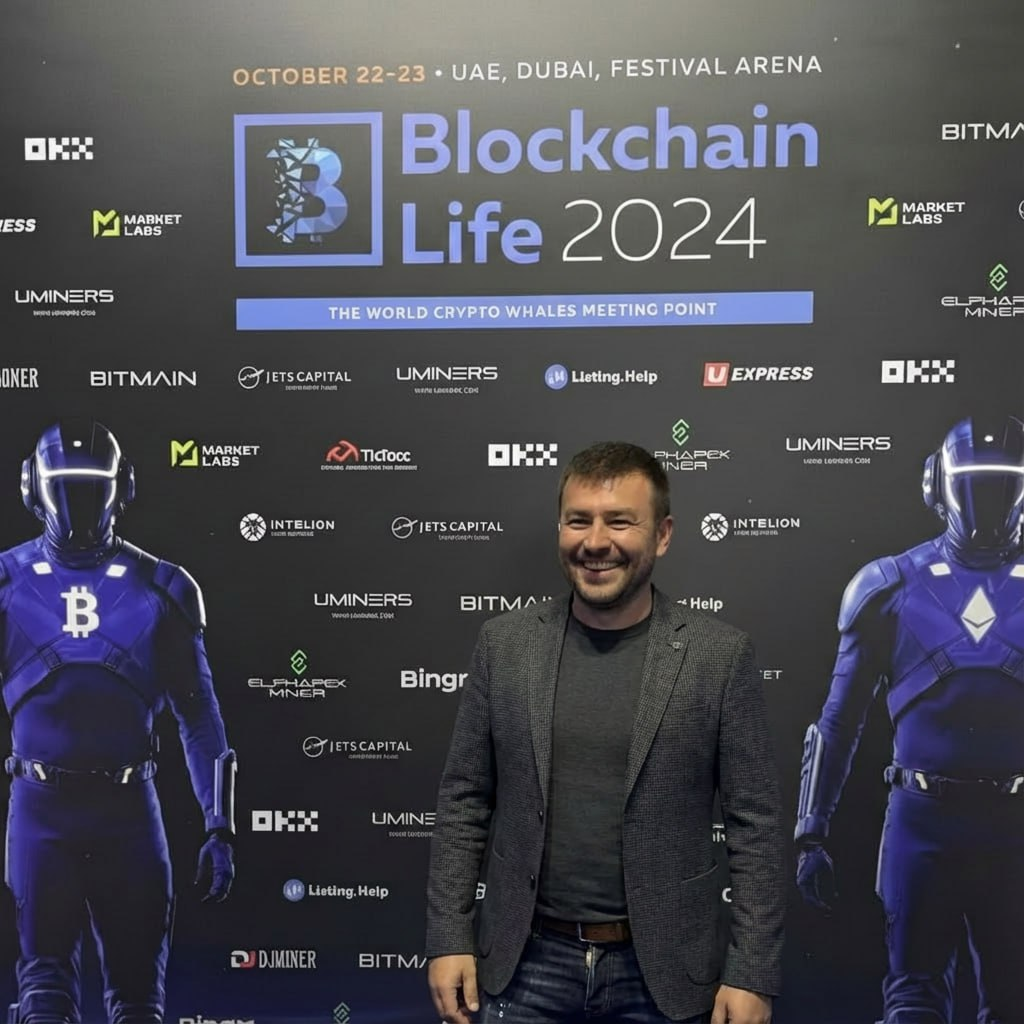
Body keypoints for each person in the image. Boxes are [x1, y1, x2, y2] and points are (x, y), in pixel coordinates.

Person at [426, 441, 785, 1024]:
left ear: (662, 535)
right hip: (525, 967)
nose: (595, 542)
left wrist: (751, 973)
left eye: (620, 521)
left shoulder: (719, 656)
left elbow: (756, 826)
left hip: (665, 975)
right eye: (578, 520)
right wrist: (449, 937)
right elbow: (464, 799)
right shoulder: (505, 645)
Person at [0, 420, 237, 1024]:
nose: (77, 505)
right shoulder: (6, 584)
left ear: (120, 487)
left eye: (89, 487)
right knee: (45, 997)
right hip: (44, 810)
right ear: (34, 488)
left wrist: (220, 825)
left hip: (125, 814)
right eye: (65, 486)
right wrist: (217, 827)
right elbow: (199, 719)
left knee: (136, 1004)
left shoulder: (162, 589)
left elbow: (198, 715)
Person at [795, 415, 1024, 1024]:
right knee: (914, 1002)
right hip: (924, 826)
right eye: (974, 482)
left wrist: (812, 833)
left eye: (1001, 482)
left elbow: (838, 722)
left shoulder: (888, 587)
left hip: (1006, 827)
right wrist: (810, 831)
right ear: (939, 485)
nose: (986, 501)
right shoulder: (890, 587)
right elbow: (838, 722)